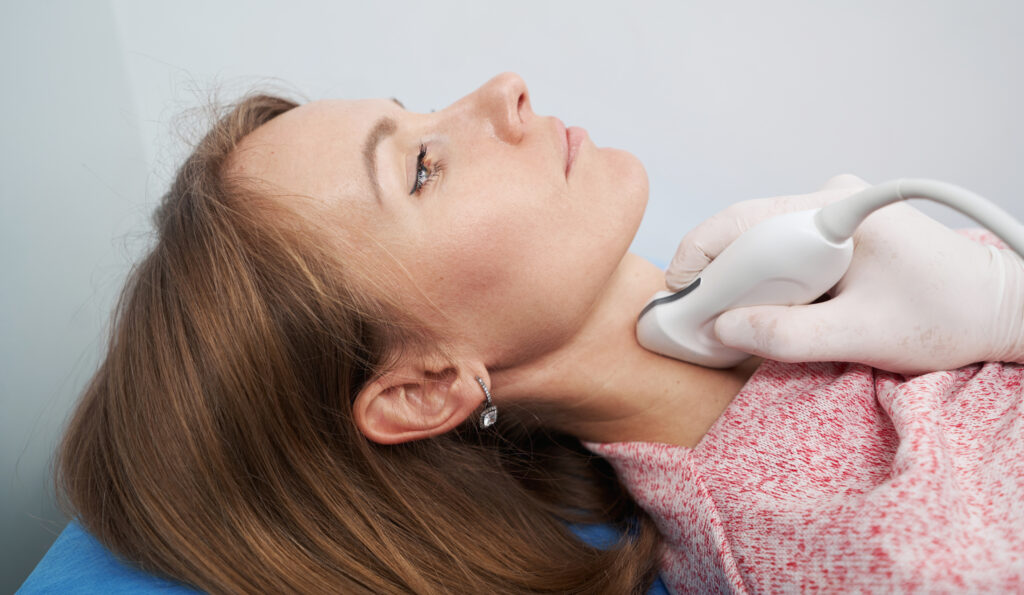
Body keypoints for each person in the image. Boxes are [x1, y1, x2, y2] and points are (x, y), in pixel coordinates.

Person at [55, 73, 1024, 593]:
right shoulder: (846, 544)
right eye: (425, 167)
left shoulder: (829, 260)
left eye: (420, 105)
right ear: (424, 387)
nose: (503, 90)